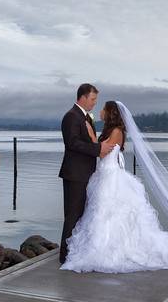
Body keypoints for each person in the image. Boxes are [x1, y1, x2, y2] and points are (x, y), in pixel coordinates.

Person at [60, 101, 168, 273]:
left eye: (103, 109)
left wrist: (92, 135)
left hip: (111, 176)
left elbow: (102, 152)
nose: (100, 111)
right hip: (104, 174)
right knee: (99, 213)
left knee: (108, 213)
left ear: (110, 113)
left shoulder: (116, 131)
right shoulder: (111, 130)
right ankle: (99, 247)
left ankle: (109, 251)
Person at [58, 84, 114, 264]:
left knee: (81, 214)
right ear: (82, 97)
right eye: (92, 99)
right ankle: (65, 256)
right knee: (72, 215)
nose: (94, 103)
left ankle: (75, 252)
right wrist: (98, 148)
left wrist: (97, 147)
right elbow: (73, 143)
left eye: (95, 100)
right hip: (75, 174)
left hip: (85, 173)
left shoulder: (84, 117)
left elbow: (85, 142)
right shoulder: (71, 117)